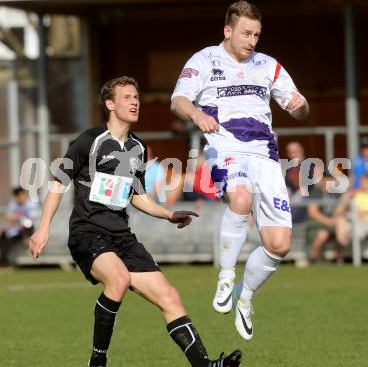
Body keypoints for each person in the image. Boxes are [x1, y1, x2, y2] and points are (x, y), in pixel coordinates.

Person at [29, 76, 242, 367]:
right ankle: (97, 361)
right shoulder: (88, 141)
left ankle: (205, 365)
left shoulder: (139, 148)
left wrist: (169, 214)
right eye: (127, 97)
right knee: (118, 279)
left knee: (170, 297)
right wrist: (42, 229)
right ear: (109, 104)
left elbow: (136, 196)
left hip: (121, 236)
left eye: (136, 97)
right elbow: (58, 183)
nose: (134, 102)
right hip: (88, 233)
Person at [170, 0, 309, 341]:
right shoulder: (204, 60)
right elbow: (178, 100)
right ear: (228, 31)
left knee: (279, 245)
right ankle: (226, 276)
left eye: (257, 34)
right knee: (241, 198)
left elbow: (299, 106)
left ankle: (244, 298)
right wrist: (196, 115)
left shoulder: (268, 65)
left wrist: (300, 107)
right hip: (225, 146)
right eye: (246, 33)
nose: (252, 40)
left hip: (264, 154)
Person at [307, 169, 347, 263]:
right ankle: (313, 258)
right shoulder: (316, 193)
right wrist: (329, 222)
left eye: (330, 180)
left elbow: (341, 209)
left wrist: (344, 202)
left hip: (333, 223)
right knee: (323, 234)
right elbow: (312, 213)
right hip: (316, 224)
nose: (328, 182)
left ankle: (338, 258)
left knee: (341, 225)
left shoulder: (335, 193)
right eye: (325, 179)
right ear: (321, 180)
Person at [0, 186, 40, 266]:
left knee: (9, 239)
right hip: (17, 230)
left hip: (29, 230)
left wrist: (18, 218)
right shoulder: (14, 204)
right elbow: (10, 217)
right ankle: (3, 260)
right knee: (4, 237)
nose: (21, 197)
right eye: (19, 196)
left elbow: (32, 219)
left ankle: (3, 261)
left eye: (22, 195)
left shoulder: (31, 203)